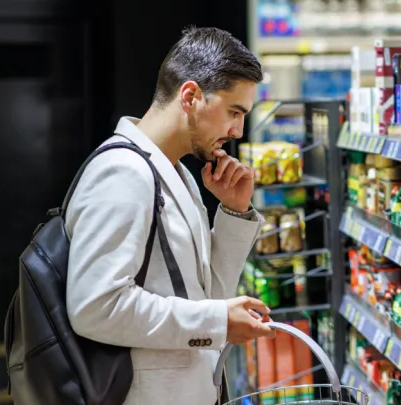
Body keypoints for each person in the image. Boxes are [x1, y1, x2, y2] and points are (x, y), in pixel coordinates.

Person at [64, 27, 276, 405]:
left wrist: (233, 212)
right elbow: (94, 307)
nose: (238, 131)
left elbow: (207, 296)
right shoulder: (124, 173)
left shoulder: (173, 171)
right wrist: (218, 322)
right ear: (191, 96)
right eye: (234, 112)